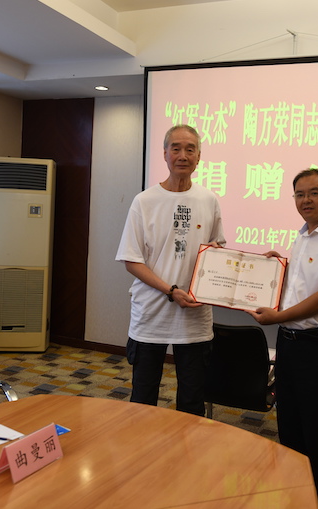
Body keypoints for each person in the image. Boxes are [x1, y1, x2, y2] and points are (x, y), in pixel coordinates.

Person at [247, 168, 318, 509]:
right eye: (299, 194)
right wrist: (275, 269)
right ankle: (295, 498)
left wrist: (277, 317)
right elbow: (300, 287)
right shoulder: (301, 237)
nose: (306, 200)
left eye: (314, 193)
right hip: (289, 344)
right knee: (291, 428)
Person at [116, 124, 225, 416]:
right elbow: (131, 260)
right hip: (151, 314)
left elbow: (215, 251)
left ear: (199, 156)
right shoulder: (144, 201)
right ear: (164, 153)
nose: (182, 155)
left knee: (191, 401)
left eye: (190, 149)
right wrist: (171, 291)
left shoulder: (209, 200)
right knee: (143, 398)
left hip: (194, 318)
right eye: (175, 148)